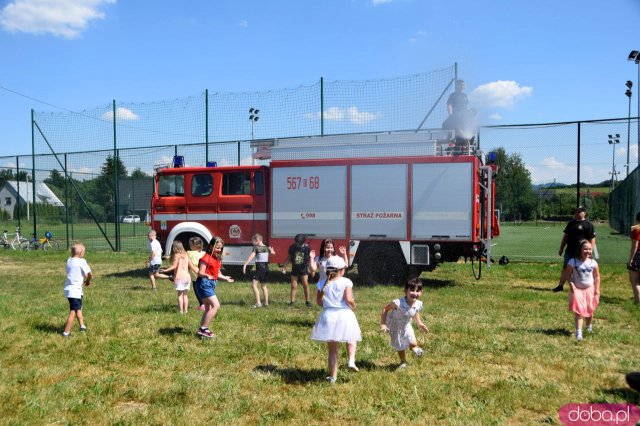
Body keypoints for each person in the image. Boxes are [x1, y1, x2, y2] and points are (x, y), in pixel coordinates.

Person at [310, 256, 362, 384]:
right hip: (344, 314)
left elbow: (318, 301)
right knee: (351, 338)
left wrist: (327, 307)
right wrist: (354, 306)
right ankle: (351, 360)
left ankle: (333, 377)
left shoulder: (322, 283)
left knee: (333, 350)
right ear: (342, 270)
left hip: (329, 316)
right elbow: (349, 299)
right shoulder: (346, 281)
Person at [380, 278, 429, 368]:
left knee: (413, 343)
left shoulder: (417, 303)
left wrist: (420, 323)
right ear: (405, 291)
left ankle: (415, 348)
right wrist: (383, 323)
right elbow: (385, 309)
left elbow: (415, 312)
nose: (415, 293)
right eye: (412, 290)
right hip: (395, 326)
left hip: (406, 324)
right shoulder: (398, 303)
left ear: (421, 292)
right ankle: (403, 362)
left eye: (417, 291)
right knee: (400, 345)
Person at [194, 236, 235, 338]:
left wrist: (225, 278)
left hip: (210, 284)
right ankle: (204, 329)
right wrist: (206, 275)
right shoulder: (206, 258)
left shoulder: (216, 258)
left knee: (208, 308)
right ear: (211, 246)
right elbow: (200, 272)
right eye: (217, 247)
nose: (219, 250)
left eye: (221, 248)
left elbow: (216, 274)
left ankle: (202, 329)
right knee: (216, 306)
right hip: (204, 284)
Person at [553, 206, 596, 292]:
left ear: (584, 213)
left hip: (581, 252)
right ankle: (560, 286)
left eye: (579, 212)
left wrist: (590, 251)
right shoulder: (571, 223)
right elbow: (565, 236)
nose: (577, 213)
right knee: (566, 268)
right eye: (576, 212)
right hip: (570, 250)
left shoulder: (588, 225)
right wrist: (561, 248)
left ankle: (583, 285)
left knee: (580, 268)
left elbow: (592, 238)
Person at [565, 239, 600, 341]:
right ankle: (579, 332)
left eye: (590, 249)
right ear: (580, 249)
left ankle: (589, 327)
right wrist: (571, 283)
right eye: (585, 249)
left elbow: (597, 277)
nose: (588, 251)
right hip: (578, 291)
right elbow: (567, 274)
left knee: (590, 310)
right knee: (579, 311)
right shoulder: (573, 262)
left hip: (590, 290)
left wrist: (597, 288)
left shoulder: (593, 263)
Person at [62, 242, 93, 337]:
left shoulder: (69, 260)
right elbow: (90, 274)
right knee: (74, 311)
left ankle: (82, 326)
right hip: (75, 291)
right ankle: (66, 332)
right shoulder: (82, 261)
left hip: (69, 289)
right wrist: (88, 281)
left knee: (78, 308)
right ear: (80, 253)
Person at [161, 241, 198, 314]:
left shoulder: (176, 255)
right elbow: (192, 266)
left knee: (180, 295)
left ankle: (181, 311)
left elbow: (174, 266)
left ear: (174, 247)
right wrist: (199, 272)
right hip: (187, 277)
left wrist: (165, 270)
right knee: (185, 295)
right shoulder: (186, 255)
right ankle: (186, 311)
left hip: (179, 277)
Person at [242, 233, 275, 308]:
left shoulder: (256, 248)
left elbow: (251, 256)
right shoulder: (267, 247)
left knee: (254, 285)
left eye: (253, 241)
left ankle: (258, 303)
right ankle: (266, 303)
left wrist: (245, 265)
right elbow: (273, 253)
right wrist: (272, 250)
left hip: (260, 269)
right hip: (266, 269)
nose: (252, 243)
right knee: (264, 286)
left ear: (257, 240)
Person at [281, 234, 312, 307]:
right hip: (295, 268)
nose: (297, 244)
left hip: (304, 269)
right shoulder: (292, 247)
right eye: (296, 242)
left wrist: (312, 269)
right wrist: (284, 267)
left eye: (298, 243)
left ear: (303, 242)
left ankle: (308, 301)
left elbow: (310, 259)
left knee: (305, 284)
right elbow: (288, 258)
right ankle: (292, 301)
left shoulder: (307, 248)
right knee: (293, 285)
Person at [187, 236, 206, 310]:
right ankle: (207, 303)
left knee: (197, 290)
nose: (189, 246)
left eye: (191, 245)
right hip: (204, 274)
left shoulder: (189, 253)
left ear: (195, 246)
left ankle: (202, 304)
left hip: (195, 276)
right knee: (204, 289)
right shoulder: (205, 253)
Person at [627, 211, 640, 304]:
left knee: (634, 281)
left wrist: (631, 259)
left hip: (638, 255)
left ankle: (638, 302)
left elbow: (634, 247)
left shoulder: (636, 230)